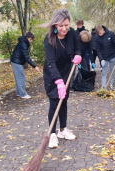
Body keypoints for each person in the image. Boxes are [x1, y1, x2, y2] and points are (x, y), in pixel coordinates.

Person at [40, 9, 82, 148]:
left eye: (66, 25)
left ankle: (62, 130)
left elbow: (77, 48)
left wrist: (78, 56)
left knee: (63, 101)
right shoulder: (49, 38)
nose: (64, 28)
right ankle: (52, 134)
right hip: (52, 73)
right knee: (54, 102)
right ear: (55, 26)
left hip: (66, 70)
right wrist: (58, 82)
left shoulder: (72, 33)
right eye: (60, 26)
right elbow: (51, 63)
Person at [10, 32, 40, 98]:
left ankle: (19, 93)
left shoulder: (23, 42)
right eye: (30, 39)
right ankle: (23, 94)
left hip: (16, 61)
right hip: (16, 62)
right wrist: (35, 66)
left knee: (18, 78)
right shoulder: (23, 44)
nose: (31, 41)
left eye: (32, 39)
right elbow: (27, 57)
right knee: (21, 77)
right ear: (27, 38)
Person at [95, 25, 115, 90]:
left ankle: (110, 85)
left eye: (100, 33)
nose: (99, 35)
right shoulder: (97, 38)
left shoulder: (111, 34)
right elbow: (98, 50)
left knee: (112, 71)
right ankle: (103, 86)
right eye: (98, 34)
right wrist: (101, 59)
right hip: (104, 57)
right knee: (104, 72)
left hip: (113, 56)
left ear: (103, 29)